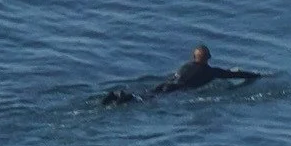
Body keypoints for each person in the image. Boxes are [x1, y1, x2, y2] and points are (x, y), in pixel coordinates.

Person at [101, 45, 261, 105]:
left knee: (148, 93)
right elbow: (234, 75)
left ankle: (121, 95)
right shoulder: (212, 71)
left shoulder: (185, 65)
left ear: (193, 57)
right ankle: (124, 97)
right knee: (147, 99)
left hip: (167, 83)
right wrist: (256, 76)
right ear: (209, 58)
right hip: (176, 90)